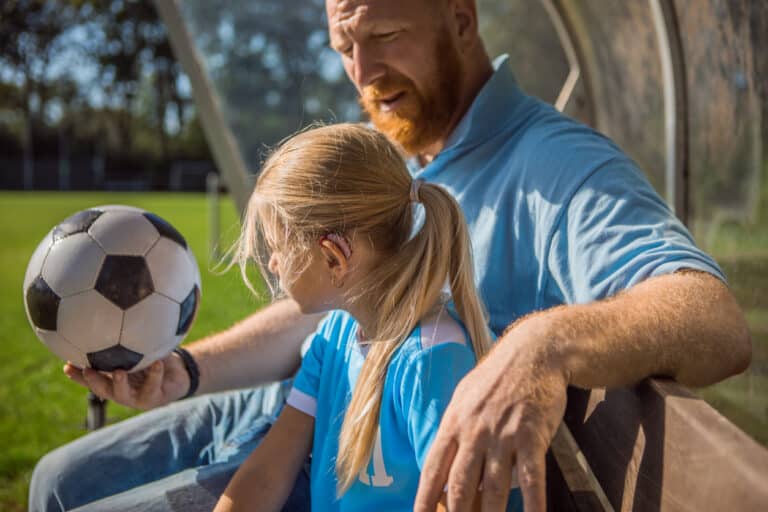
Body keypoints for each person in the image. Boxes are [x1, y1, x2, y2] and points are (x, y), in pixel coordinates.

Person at [30, 0, 752, 511]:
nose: (363, 71)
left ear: (460, 20)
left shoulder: (554, 163)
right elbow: (324, 317)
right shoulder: (410, 155)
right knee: (56, 480)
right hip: (290, 414)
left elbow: (714, 320)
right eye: (345, 45)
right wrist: (185, 372)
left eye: (385, 34)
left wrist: (541, 344)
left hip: (343, 468)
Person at [212, 122, 520, 511]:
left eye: (277, 248)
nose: (272, 264)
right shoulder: (335, 336)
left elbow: (460, 502)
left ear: (333, 258)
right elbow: (268, 470)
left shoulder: (432, 360)